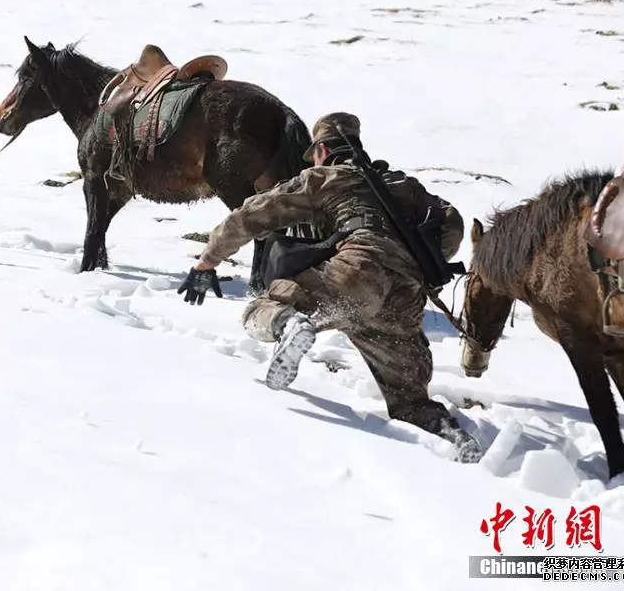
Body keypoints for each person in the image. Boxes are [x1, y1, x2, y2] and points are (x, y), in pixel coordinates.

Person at [177, 112, 481, 462]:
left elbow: (252, 215)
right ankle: (454, 437)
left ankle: (290, 325)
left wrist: (208, 260)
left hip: (356, 271)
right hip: (406, 296)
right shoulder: (402, 186)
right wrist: (423, 259)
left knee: (263, 310)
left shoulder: (323, 178)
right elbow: (452, 224)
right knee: (410, 402)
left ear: (321, 150)